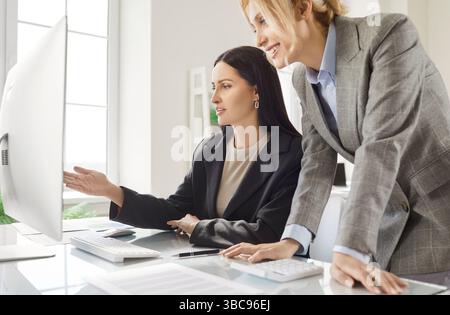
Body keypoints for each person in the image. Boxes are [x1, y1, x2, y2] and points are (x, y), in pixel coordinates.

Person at [222, 0, 450, 295]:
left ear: (303, 7)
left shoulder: (388, 35)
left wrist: (351, 246)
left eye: (264, 21)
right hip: (389, 229)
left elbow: (381, 143)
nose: (259, 39)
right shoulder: (303, 80)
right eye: (253, 28)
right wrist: (291, 240)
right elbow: (316, 163)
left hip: (440, 215)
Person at [64, 46, 303, 249]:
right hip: (210, 268)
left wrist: (198, 227)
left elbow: (270, 232)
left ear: (256, 91)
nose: (214, 98)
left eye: (226, 86)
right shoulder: (211, 148)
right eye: (213, 87)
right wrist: (110, 190)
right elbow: (175, 211)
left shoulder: (292, 153)